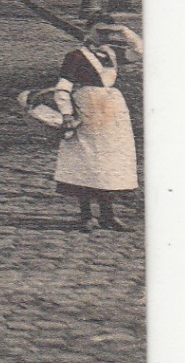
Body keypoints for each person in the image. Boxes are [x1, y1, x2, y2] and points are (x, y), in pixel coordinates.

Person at [52, 13, 143, 231]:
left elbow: (140, 51)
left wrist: (123, 31)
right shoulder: (75, 56)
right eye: (100, 31)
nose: (104, 36)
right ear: (88, 30)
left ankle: (107, 215)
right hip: (87, 107)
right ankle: (86, 215)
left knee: (109, 160)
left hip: (112, 110)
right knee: (86, 158)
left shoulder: (111, 54)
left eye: (108, 32)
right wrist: (66, 114)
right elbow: (63, 87)